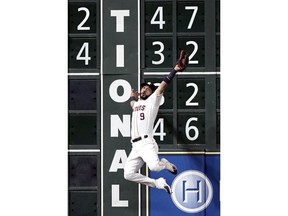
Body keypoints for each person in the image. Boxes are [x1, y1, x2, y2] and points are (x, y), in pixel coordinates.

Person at [123, 50, 188, 194]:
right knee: (128, 174)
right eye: (144, 87)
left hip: (147, 142)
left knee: (155, 167)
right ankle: (158, 183)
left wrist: (175, 70)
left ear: (151, 93)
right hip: (135, 145)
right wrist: (133, 97)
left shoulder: (153, 101)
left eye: (148, 88)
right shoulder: (137, 103)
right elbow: (132, 104)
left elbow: (162, 87)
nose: (145, 88)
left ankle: (164, 163)